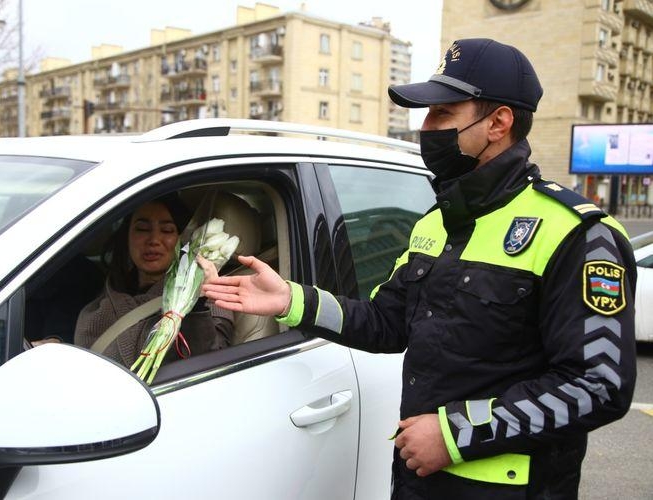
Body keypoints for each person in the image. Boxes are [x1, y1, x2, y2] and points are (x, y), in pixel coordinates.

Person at [203, 38, 637, 499]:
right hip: (418, 480)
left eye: (442, 115)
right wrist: (293, 301)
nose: (426, 130)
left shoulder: (577, 232)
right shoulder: (437, 223)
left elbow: (599, 385)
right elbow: (385, 323)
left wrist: (454, 435)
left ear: (498, 122)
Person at [74, 193, 233, 367]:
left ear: (185, 239)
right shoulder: (99, 309)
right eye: (142, 229)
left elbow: (211, 362)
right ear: (126, 237)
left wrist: (196, 303)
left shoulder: (213, 295)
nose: (154, 240)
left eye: (167, 231)